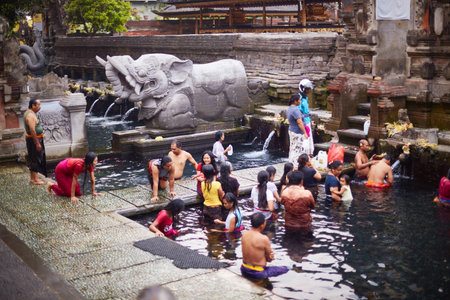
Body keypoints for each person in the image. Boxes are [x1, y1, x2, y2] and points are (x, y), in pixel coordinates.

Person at [240, 213, 289, 281]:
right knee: (286, 268)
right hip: (258, 273)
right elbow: (269, 259)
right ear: (262, 225)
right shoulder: (264, 239)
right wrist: (271, 256)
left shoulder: (244, 234)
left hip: (244, 269)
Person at [24, 98, 47, 184]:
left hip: (33, 139)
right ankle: (36, 179)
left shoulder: (30, 113)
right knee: (36, 158)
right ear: (33, 106)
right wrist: (37, 143)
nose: (39, 107)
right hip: (34, 140)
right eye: (38, 105)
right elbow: (32, 130)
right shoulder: (30, 115)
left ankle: (32, 178)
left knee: (33, 158)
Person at [286, 94, 308, 169]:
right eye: (299, 100)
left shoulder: (289, 108)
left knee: (292, 147)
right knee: (297, 149)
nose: (300, 101)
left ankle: (290, 163)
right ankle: (295, 166)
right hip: (297, 132)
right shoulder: (295, 110)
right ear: (295, 101)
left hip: (292, 130)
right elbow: (299, 122)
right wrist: (305, 132)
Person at [298, 79, 315, 155]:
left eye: (309, 89)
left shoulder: (306, 98)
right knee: (305, 142)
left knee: (310, 141)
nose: (308, 91)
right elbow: (298, 112)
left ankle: (310, 155)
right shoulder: (299, 99)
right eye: (307, 89)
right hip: (303, 123)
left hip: (308, 121)